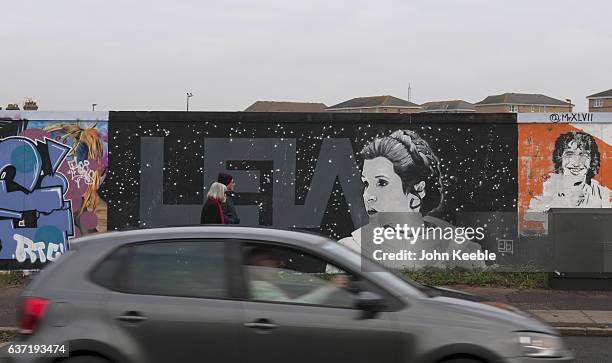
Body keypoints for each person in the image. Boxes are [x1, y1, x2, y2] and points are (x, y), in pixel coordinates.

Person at [339, 129, 484, 270]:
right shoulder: (349, 251)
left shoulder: (464, 251)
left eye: (382, 183)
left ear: (419, 189)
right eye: (366, 183)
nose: (367, 196)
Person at [528, 131, 610, 212]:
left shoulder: (603, 195)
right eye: (569, 154)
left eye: (584, 155)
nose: (576, 163)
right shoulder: (545, 190)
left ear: (591, 160)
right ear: (560, 158)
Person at [247, 247, 348, 304]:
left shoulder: (265, 285)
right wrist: (329, 288)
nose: (279, 264)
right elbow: (295, 308)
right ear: (257, 264)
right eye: (270, 259)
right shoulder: (259, 288)